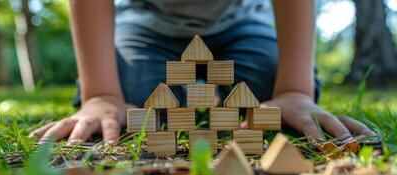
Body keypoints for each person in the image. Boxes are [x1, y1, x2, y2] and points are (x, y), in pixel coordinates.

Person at [31, 0, 373, 145]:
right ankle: (198, 91)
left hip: (244, 20)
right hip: (145, 24)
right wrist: (101, 94)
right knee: (136, 100)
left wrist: (295, 90)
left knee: (267, 92)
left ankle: (209, 90)